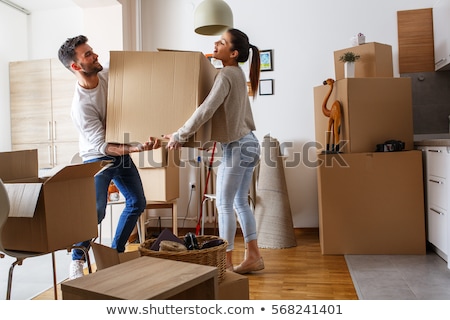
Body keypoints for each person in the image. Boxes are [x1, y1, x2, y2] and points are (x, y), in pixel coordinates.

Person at [58, 35, 161, 279]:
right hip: (97, 157)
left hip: (121, 152)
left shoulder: (106, 75)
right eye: (88, 55)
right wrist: (137, 149)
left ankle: (115, 253)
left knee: (137, 202)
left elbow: (136, 71)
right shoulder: (81, 106)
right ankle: (77, 259)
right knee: (96, 211)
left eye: (92, 51)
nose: (95, 56)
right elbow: (103, 147)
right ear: (75, 66)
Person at [164, 28, 263, 274]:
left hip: (238, 146)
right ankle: (254, 256)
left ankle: (226, 264)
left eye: (222, 42)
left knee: (225, 205)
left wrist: (180, 135)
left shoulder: (226, 74)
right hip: (250, 142)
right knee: (240, 201)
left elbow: (206, 109)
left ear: (234, 52)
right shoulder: (236, 73)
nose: (215, 44)